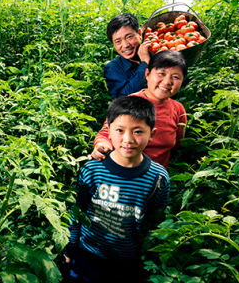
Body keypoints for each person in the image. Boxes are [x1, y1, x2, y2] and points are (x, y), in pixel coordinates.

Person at [65, 96, 170, 282]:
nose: (128, 140)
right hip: (88, 256)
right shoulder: (92, 170)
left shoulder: (158, 178)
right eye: (120, 130)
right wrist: (71, 247)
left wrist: (149, 261)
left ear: (152, 134)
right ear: (109, 132)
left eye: (138, 131)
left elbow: (155, 225)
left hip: (130, 263)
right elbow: (78, 212)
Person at [92, 51, 188, 170]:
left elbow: (177, 143)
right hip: (123, 174)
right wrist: (102, 146)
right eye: (161, 73)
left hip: (156, 179)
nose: (167, 81)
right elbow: (106, 134)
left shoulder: (178, 109)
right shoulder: (129, 103)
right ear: (147, 74)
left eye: (176, 77)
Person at [104, 13, 152, 98]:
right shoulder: (113, 68)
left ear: (139, 33)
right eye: (118, 41)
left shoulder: (155, 53)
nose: (125, 45)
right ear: (113, 45)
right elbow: (124, 97)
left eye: (129, 37)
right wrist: (144, 64)